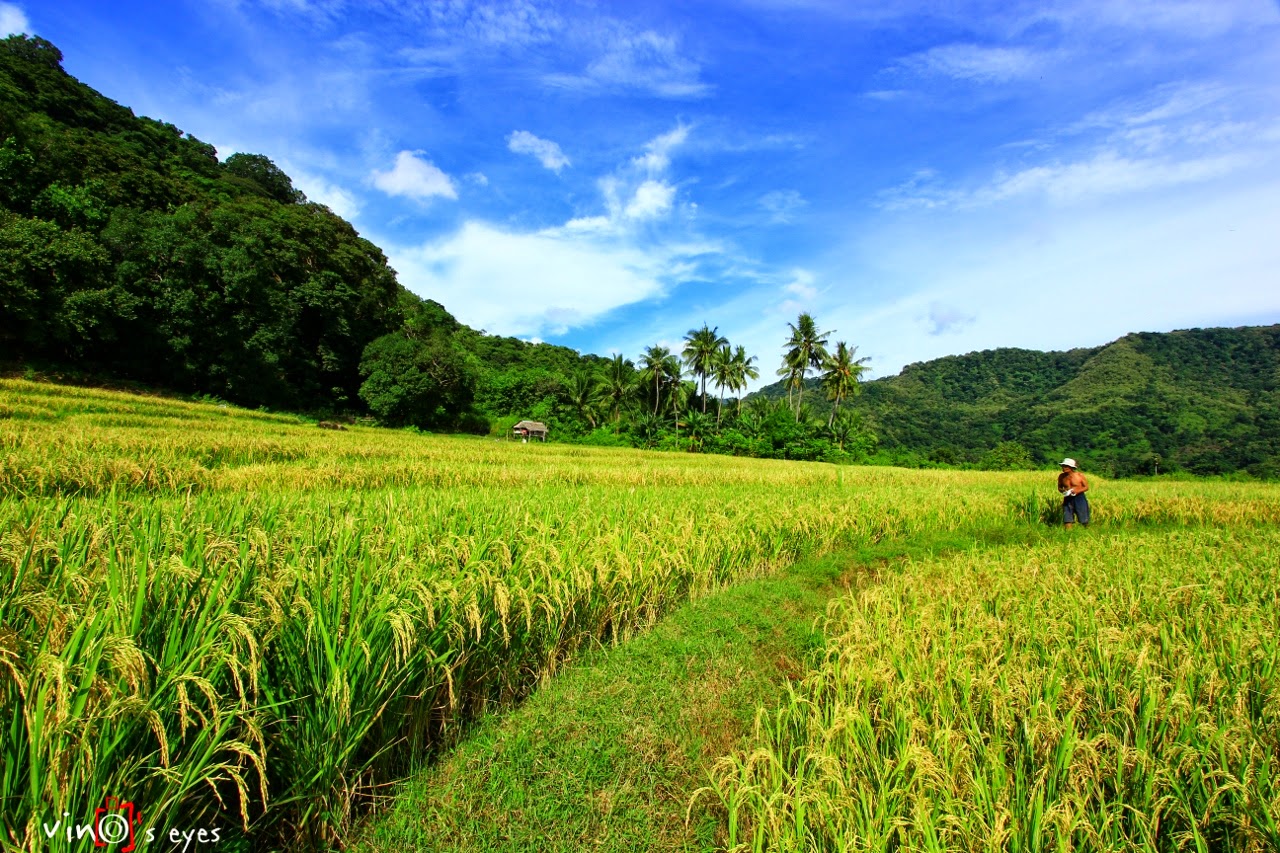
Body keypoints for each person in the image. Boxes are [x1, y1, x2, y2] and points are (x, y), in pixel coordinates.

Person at [1057, 458, 1089, 528]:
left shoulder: (1079, 475)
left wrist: (1077, 491)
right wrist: (1063, 491)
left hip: (1079, 498)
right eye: (1063, 466)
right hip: (1067, 498)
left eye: (1065, 466)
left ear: (1071, 467)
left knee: (1083, 519)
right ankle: (1068, 533)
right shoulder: (1061, 476)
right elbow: (1059, 488)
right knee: (1067, 518)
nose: (1063, 468)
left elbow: (1086, 487)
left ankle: (1086, 530)